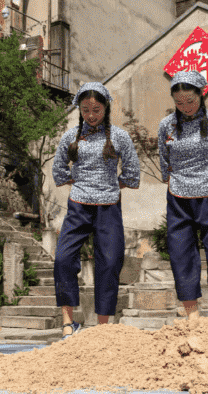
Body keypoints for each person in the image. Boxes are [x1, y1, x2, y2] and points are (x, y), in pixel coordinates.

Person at [52, 82, 140, 340]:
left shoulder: (120, 136)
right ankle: (68, 322)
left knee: (110, 262)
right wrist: (81, 185)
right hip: (78, 205)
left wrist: (109, 186)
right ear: (80, 109)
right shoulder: (71, 137)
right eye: (86, 109)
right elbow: (59, 169)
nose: (91, 115)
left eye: (97, 109)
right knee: (63, 259)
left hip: (109, 205)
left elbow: (132, 172)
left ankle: (103, 326)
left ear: (106, 108)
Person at [158, 70, 208, 326]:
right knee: (180, 253)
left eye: (190, 101)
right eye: (179, 103)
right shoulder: (166, 125)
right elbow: (164, 160)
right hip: (178, 196)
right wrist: (171, 179)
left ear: (202, 95)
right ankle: (192, 313)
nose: (185, 107)